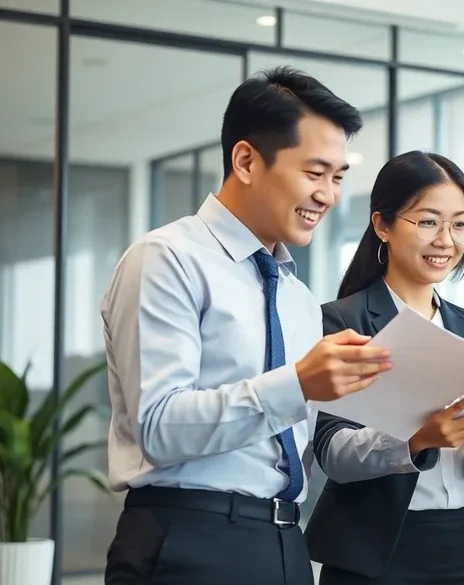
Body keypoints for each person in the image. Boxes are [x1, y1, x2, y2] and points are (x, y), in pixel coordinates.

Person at [100, 66, 390, 585]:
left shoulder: (299, 299)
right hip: (186, 539)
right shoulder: (167, 259)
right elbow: (158, 427)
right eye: (315, 172)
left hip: (284, 542)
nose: (328, 195)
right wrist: (298, 383)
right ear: (246, 161)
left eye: (338, 177)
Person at [306, 150, 464, 585]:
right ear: (382, 225)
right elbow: (331, 452)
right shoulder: (342, 321)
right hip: (372, 550)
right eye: (427, 222)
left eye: (459, 224)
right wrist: (417, 439)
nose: (446, 240)